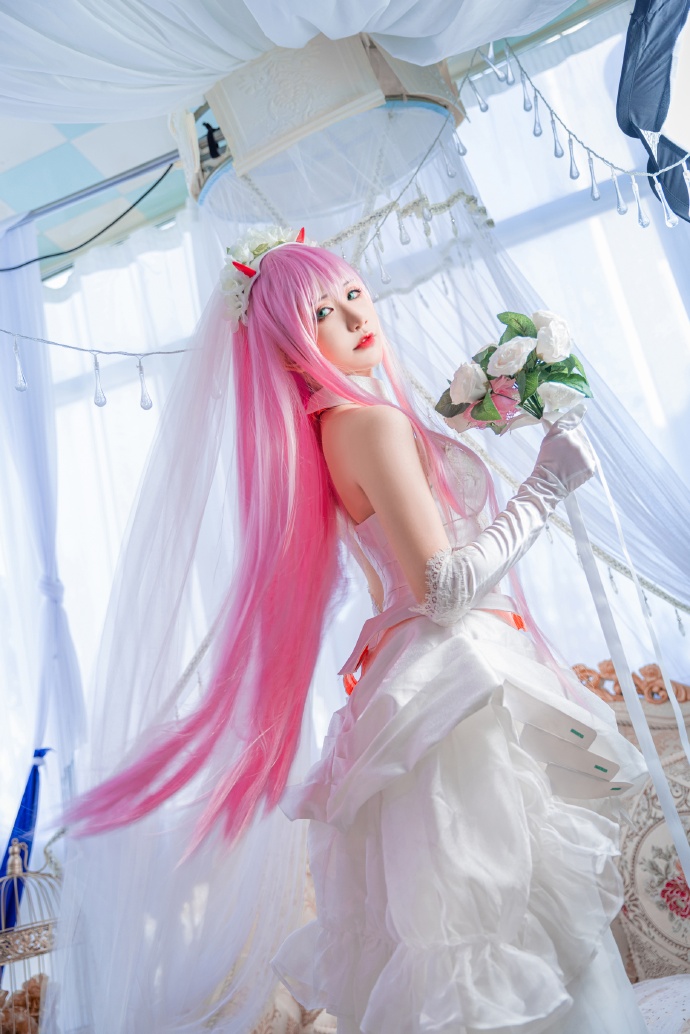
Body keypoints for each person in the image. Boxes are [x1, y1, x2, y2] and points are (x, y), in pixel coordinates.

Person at [68, 231, 648, 1034]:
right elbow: (443, 589)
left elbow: (400, 578)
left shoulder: (329, 434)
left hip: (423, 681)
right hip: (452, 682)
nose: (352, 316)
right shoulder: (369, 424)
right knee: (506, 905)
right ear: (290, 344)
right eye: (322, 313)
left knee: (468, 914)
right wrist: (548, 483)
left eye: (351, 293)